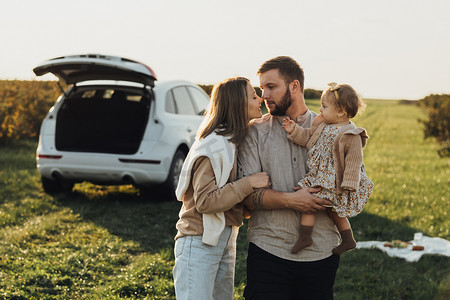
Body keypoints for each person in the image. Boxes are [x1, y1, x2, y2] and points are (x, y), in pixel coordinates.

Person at [237, 56, 341, 300]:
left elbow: (351, 186)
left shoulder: (333, 129)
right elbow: (249, 198)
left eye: (271, 87)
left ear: (294, 86)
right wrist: (293, 200)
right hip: (267, 250)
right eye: (262, 88)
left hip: (322, 251)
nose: (264, 95)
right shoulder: (254, 132)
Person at [173, 77, 270, 300]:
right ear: (237, 103)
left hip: (224, 238)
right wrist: (249, 184)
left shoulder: (232, 141)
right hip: (199, 241)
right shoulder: (213, 145)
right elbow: (206, 202)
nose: (260, 99)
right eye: (254, 96)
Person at [282, 82, 374, 255]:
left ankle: (346, 239)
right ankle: (307, 236)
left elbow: (355, 161)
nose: (320, 110)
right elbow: (308, 138)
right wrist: (293, 129)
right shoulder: (322, 124)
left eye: (324, 106)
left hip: (335, 179)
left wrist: (349, 184)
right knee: (310, 199)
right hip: (319, 175)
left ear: (340, 111)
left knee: (334, 210)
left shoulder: (351, 133)